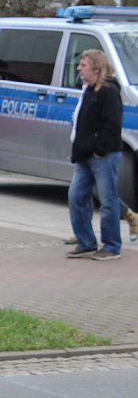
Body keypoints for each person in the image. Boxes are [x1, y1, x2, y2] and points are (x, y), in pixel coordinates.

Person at [66, 49, 123, 261]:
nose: (79, 68)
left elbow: (113, 124)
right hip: (84, 155)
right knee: (76, 196)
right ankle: (86, 241)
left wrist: (100, 149)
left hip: (103, 156)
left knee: (108, 201)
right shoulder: (88, 90)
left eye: (83, 65)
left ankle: (112, 245)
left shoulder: (107, 91)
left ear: (97, 69)